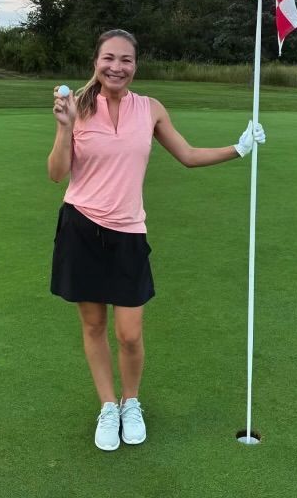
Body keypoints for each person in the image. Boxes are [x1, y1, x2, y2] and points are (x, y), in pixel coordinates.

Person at [47, 29, 265, 451]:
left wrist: (238, 149)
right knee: (93, 326)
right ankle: (108, 406)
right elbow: (57, 174)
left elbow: (186, 155)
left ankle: (131, 402)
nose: (117, 67)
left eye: (126, 59)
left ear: (135, 65)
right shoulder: (75, 106)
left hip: (128, 232)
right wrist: (64, 128)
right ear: (96, 60)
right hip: (80, 228)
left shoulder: (149, 109)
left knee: (129, 333)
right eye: (109, 58)